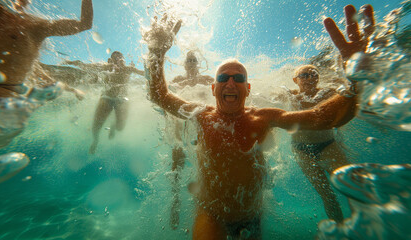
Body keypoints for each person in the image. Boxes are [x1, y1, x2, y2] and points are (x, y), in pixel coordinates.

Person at [143, 4, 374, 239]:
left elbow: (324, 118)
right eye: (223, 78)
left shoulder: (264, 118)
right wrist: (156, 52)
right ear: (213, 89)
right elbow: (158, 95)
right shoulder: (202, 115)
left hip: (251, 215)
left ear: (247, 88)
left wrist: (356, 78)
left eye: (239, 78)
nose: (231, 83)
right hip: (212, 214)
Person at [0, 0, 93, 99]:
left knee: (42, 75)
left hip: (1, 106)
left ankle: (71, 90)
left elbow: (84, 24)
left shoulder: (35, 25)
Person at [288, 64, 349, 222]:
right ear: (295, 80)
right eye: (304, 75)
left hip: (327, 145)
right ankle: (340, 230)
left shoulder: (328, 93)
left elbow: (350, 95)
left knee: (351, 186)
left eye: (314, 74)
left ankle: (365, 228)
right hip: (301, 150)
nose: (310, 78)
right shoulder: (290, 95)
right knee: (327, 196)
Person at [64, 51, 145, 154]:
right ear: (111, 60)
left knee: (120, 127)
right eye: (115, 58)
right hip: (107, 97)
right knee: (96, 126)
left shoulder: (129, 69)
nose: (117, 60)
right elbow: (88, 66)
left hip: (122, 99)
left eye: (119, 58)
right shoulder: (107, 67)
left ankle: (113, 126)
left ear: (123, 59)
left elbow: (144, 73)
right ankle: (95, 140)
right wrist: (74, 62)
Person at [168, 51, 214, 230]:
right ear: (185, 64)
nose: (192, 63)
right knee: (177, 163)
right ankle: (175, 202)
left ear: (199, 63)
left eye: (195, 60)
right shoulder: (179, 80)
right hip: (181, 124)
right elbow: (166, 96)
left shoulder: (207, 79)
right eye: (189, 60)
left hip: (200, 126)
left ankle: (205, 204)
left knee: (205, 164)